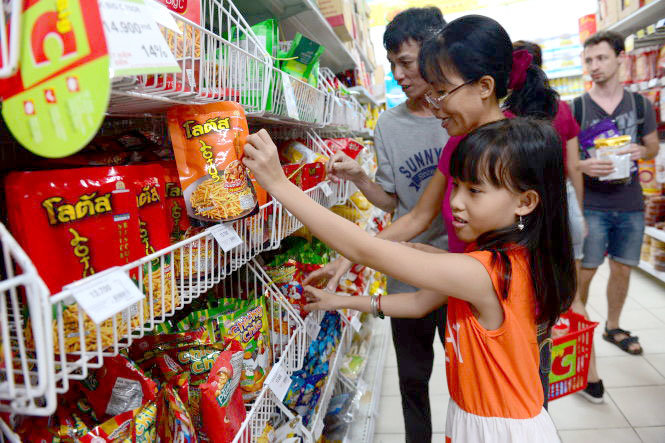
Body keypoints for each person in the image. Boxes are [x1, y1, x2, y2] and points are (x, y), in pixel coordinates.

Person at [243, 117, 574, 442]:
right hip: (486, 418)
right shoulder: (510, 258)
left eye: (474, 190)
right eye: (455, 185)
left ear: (525, 202)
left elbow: (365, 250)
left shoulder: (485, 272)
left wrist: (278, 184)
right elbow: (419, 302)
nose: (456, 202)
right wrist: (340, 301)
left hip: (500, 430)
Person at [308, 14, 559, 405]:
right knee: (466, 396)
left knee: (512, 400)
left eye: (441, 90)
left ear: (482, 86)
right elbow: (418, 216)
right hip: (456, 291)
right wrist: (349, 262)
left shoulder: (517, 147)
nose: (434, 104)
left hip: (499, 305)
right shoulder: (455, 143)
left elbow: (546, 239)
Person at [322, 8, 449, 441]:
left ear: (436, 56)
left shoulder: (464, 117)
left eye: (407, 63)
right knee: (413, 380)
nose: (398, 74)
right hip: (406, 271)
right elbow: (396, 203)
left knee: (470, 375)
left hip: (465, 269)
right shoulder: (389, 124)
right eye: (392, 63)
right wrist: (359, 177)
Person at [570, 31, 659, 401]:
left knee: (623, 268)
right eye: (589, 60)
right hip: (592, 205)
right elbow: (568, 161)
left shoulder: (640, 105)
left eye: (602, 58)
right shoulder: (576, 108)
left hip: (630, 203)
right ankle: (579, 337)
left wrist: (637, 148)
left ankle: (614, 326)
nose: (595, 66)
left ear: (619, 59)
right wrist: (584, 165)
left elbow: (653, 146)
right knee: (584, 274)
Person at [513, 40, 603, 402]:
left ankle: (535, 380)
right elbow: (572, 169)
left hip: (527, 215)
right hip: (564, 209)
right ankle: (589, 377)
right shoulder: (561, 108)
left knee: (529, 298)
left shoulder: (508, 114)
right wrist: (578, 212)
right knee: (571, 296)